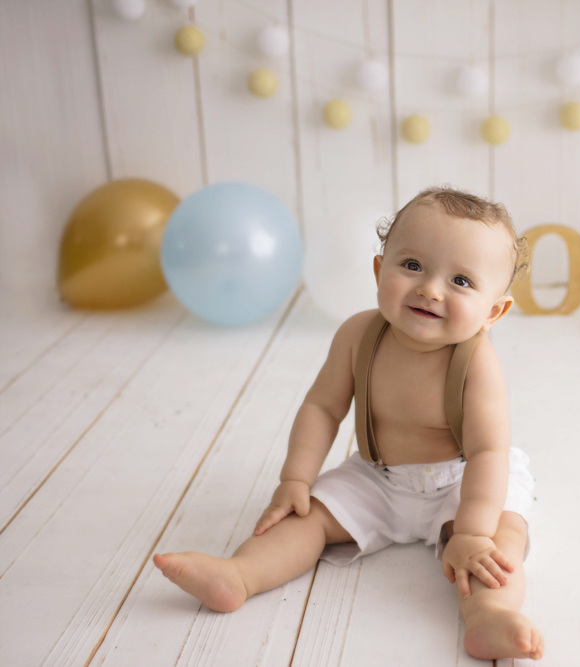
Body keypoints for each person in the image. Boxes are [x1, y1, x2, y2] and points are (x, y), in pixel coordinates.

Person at [152, 186, 544, 661]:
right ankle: (239, 576)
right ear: (380, 270)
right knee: (307, 517)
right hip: (378, 476)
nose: (430, 289)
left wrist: (474, 530)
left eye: (461, 281)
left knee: (500, 542)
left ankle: (489, 616)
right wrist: (296, 478)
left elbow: (487, 452)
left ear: (493, 312)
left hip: (461, 480)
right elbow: (322, 407)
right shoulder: (358, 335)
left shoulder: (477, 362)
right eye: (413, 266)